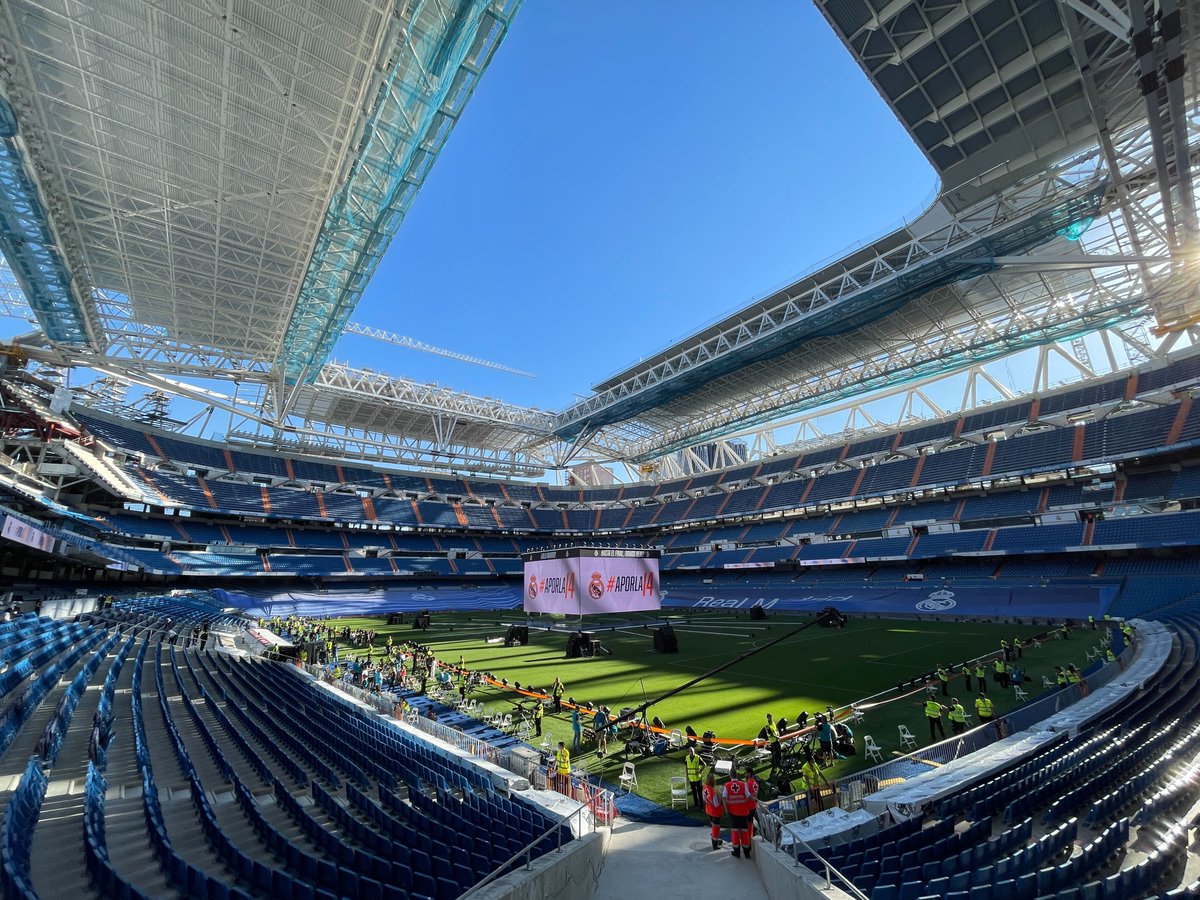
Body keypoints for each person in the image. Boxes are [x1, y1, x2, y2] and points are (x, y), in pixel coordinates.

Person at [722, 771, 753, 859]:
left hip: (733, 813)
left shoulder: (727, 786)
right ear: (737, 775)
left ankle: (737, 852)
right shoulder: (743, 784)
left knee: (735, 832)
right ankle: (746, 852)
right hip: (743, 812)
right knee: (744, 832)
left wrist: (726, 809)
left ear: (730, 776)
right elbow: (748, 797)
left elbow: (724, 798)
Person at [702, 771, 725, 850]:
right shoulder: (714, 792)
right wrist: (721, 798)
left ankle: (716, 840)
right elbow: (716, 804)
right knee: (716, 828)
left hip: (709, 811)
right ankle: (715, 845)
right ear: (713, 781)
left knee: (713, 826)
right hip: (715, 812)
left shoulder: (704, 787)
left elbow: (704, 799)